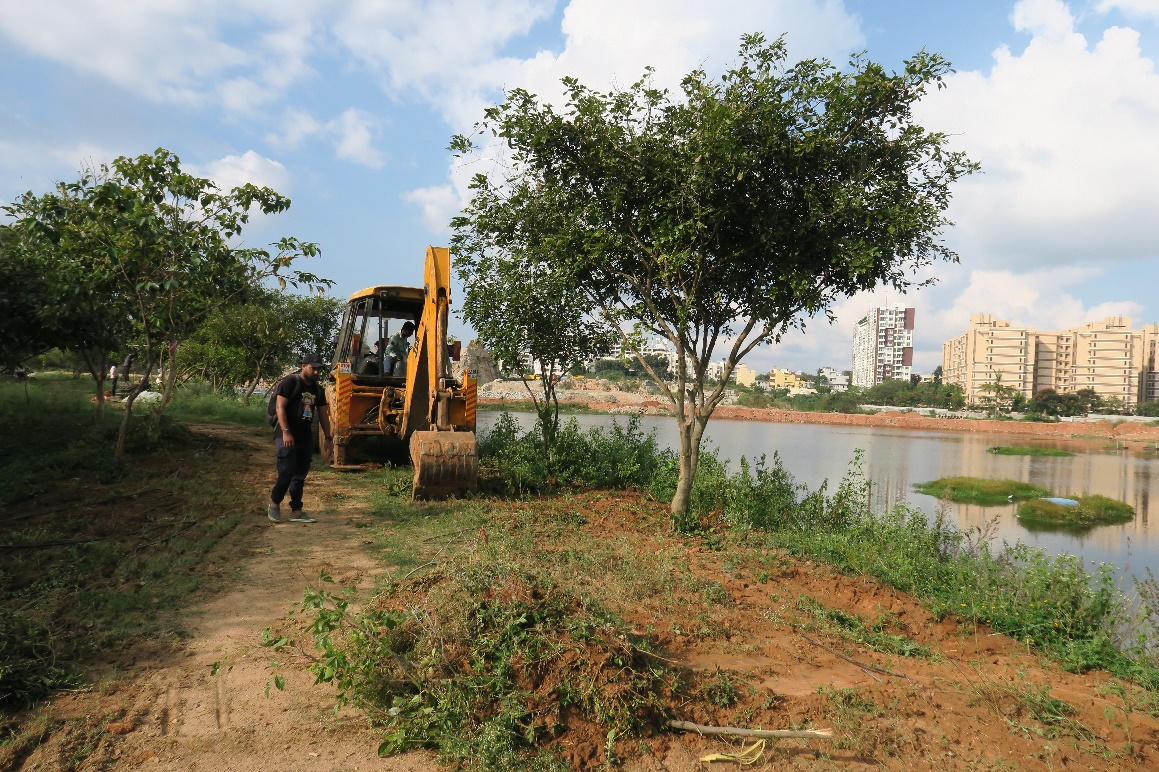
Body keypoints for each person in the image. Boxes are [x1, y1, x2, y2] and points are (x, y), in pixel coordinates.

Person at [268, 353, 332, 524]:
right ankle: (274, 503)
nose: (317, 372)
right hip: (285, 433)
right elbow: (280, 407)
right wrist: (286, 431)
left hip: (304, 435)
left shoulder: (318, 390)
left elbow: (323, 415)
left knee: (300, 474)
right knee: (286, 470)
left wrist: (328, 437)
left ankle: (297, 511)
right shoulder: (290, 382)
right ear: (304, 366)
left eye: (319, 369)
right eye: (313, 368)